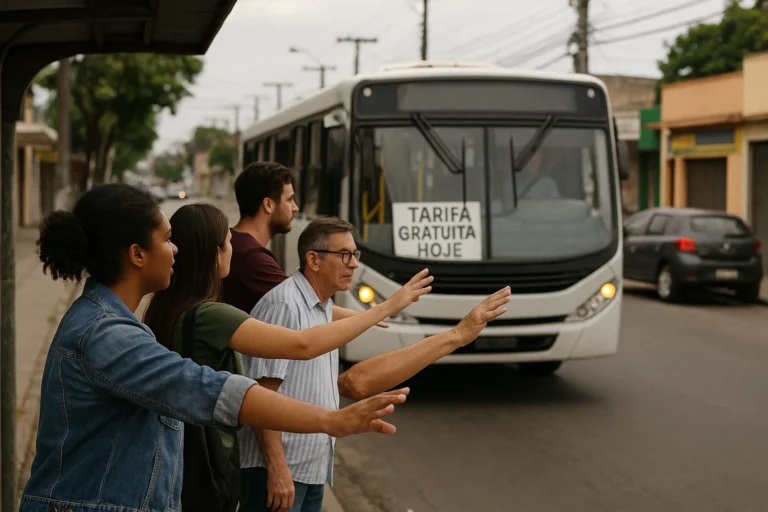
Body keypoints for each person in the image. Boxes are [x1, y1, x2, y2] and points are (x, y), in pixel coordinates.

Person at [20, 184, 411, 512]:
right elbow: (205, 387)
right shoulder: (106, 335)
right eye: (167, 240)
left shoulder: (109, 321)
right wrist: (331, 421)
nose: (176, 251)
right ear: (137, 254)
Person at [142, 203, 432, 508]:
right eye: (228, 242)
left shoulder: (170, 308)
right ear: (215, 254)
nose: (233, 250)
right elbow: (303, 345)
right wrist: (385, 307)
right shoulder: (213, 315)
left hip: (186, 455)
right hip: (211, 462)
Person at [239, 217, 511, 512]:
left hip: (310, 470)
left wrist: (457, 334)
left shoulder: (322, 306)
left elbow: (351, 383)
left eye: (355, 255)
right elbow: (262, 395)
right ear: (313, 260)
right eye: (344, 255)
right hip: (279, 472)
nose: (353, 264)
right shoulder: (285, 305)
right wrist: (277, 467)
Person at [222, 161, 364, 322]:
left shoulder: (235, 244)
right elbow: (304, 304)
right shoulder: (251, 258)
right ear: (268, 205)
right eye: (289, 200)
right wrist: (372, 317)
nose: (295, 207)